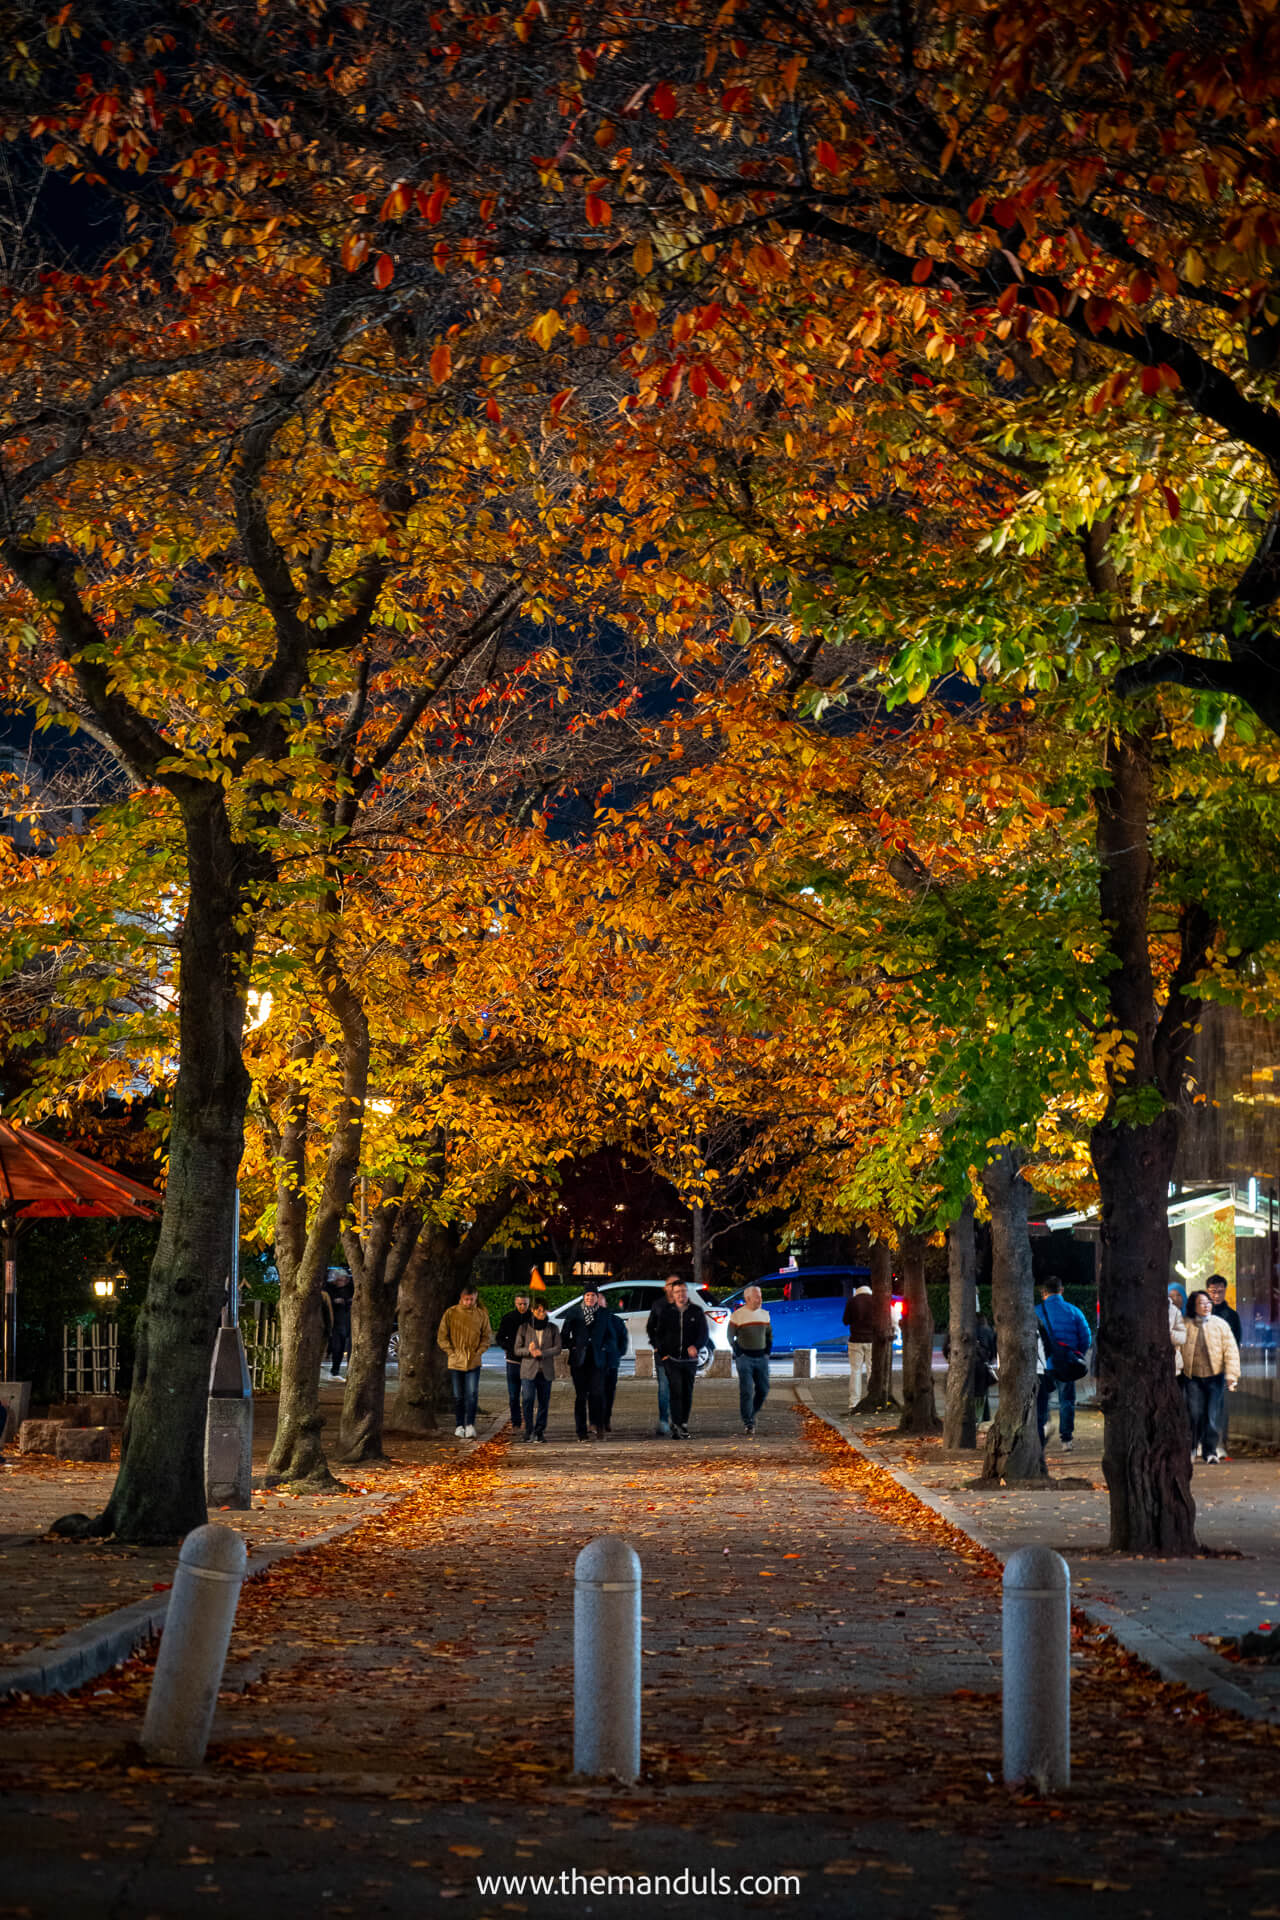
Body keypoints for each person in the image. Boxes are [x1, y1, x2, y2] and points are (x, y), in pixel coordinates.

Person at [560, 1284, 628, 1441]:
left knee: (597, 1394)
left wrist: (605, 1349)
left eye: (593, 1295)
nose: (590, 1298)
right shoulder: (574, 1313)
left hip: (598, 1360)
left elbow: (611, 1336)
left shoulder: (604, 1313)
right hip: (579, 1360)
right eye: (587, 1295)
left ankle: (599, 1426)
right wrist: (574, 1345)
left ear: (597, 1297)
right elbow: (564, 1336)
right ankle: (581, 1431)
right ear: (584, 1297)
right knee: (581, 1396)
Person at [1182, 1288, 1240, 1465]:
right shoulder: (1186, 1325)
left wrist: (1231, 1375)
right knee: (1194, 1413)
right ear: (1193, 1306)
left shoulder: (1220, 1324)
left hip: (1215, 1376)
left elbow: (1231, 1351)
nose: (1206, 1306)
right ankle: (1192, 1447)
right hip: (1192, 1376)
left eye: (1208, 1303)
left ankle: (1210, 1451)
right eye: (1201, 1303)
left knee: (1212, 1415)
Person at [1035, 1278, 1092, 1452]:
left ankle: (1042, 1430)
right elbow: (1086, 1337)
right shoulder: (1073, 1311)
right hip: (1067, 1363)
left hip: (1044, 1364)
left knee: (1041, 1401)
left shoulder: (1036, 1311)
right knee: (1067, 1400)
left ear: (1044, 1292)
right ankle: (1066, 1439)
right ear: (1062, 1290)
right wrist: (1076, 1353)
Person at [650, 1279, 709, 1440]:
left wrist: (696, 1346)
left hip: (690, 1361)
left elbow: (704, 1334)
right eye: (678, 1292)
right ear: (673, 1294)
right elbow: (659, 1334)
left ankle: (683, 1423)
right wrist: (662, 1353)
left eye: (683, 1291)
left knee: (687, 1392)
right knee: (676, 1391)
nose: (681, 1294)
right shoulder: (667, 1312)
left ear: (686, 1293)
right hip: (672, 1359)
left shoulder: (696, 1311)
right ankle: (676, 1424)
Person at [436, 1284, 494, 1439]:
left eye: (472, 1299)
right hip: (456, 1360)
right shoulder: (451, 1313)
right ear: (461, 1299)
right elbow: (442, 1336)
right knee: (458, 1395)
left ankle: (470, 1424)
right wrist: (451, 1352)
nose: (469, 1302)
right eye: (466, 1299)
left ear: (475, 1299)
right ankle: (459, 1424)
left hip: (473, 1360)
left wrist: (478, 1352)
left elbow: (486, 1337)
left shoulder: (481, 1315)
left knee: (472, 1394)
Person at [513, 1297, 561, 1442]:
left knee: (544, 1402)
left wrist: (543, 1353)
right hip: (528, 1370)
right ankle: (528, 1429)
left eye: (543, 1310)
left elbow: (557, 1348)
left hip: (545, 1370)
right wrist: (530, 1351)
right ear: (533, 1311)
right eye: (538, 1310)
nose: (541, 1313)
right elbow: (517, 1349)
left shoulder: (552, 1328)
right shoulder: (524, 1328)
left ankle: (540, 1431)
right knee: (527, 1399)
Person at [1206, 1273, 1243, 1458]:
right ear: (1207, 1291)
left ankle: (1219, 1443)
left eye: (1220, 1292)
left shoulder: (1231, 1316)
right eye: (1213, 1291)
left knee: (1219, 1406)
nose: (1217, 1295)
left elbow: (1235, 1343)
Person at [728, 1283, 772, 1434]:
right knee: (746, 1390)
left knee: (763, 1389)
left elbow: (768, 1334)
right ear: (747, 1298)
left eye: (760, 1296)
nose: (760, 1299)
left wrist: (767, 1351)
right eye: (756, 1297)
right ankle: (748, 1422)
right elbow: (730, 1336)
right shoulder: (737, 1315)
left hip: (761, 1358)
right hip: (745, 1358)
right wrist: (738, 1352)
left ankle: (751, 1414)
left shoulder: (765, 1314)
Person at [646, 1276, 680, 1435]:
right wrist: (656, 1347)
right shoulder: (658, 1305)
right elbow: (651, 1328)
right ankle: (664, 1420)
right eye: (670, 1284)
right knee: (664, 1389)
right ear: (665, 1288)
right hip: (663, 1355)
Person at [495, 1291, 534, 1429]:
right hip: (513, 1361)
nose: (522, 1306)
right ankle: (516, 1421)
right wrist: (508, 1347)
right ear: (515, 1303)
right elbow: (499, 1337)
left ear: (529, 1304)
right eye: (519, 1304)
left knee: (528, 1396)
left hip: (529, 1362)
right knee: (513, 1395)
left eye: (525, 1304)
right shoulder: (508, 1318)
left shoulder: (533, 1318)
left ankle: (528, 1422)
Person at [842, 1282, 874, 1413]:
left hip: (855, 1340)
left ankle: (854, 1402)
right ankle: (872, 1399)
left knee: (855, 1371)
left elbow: (845, 1321)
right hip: (872, 1340)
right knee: (872, 1369)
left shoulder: (853, 1301)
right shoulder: (875, 1300)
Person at [323, 1267, 354, 1377]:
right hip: (337, 1323)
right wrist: (335, 1301)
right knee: (337, 1348)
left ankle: (350, 1370)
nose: (344, 1282)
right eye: (341, 1280)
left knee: (350, 1348)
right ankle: (335, 1370)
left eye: (345, 1279)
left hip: (348, 1322)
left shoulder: (350, 1288)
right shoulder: (330, 1290)